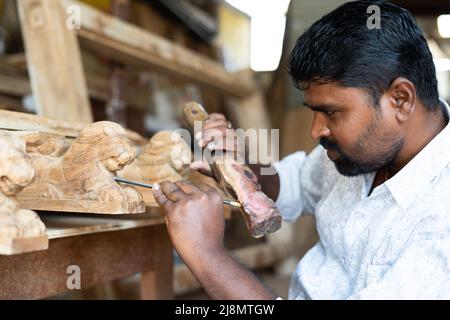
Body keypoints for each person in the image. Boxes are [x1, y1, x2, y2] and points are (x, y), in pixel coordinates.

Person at [152, 0, 450, 299]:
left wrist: (206, 254)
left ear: (400, 99)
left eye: (331, 112)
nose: (315, 130)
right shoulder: (360, 151)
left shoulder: (442, 223)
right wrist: (239, 170)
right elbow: (295, 182)